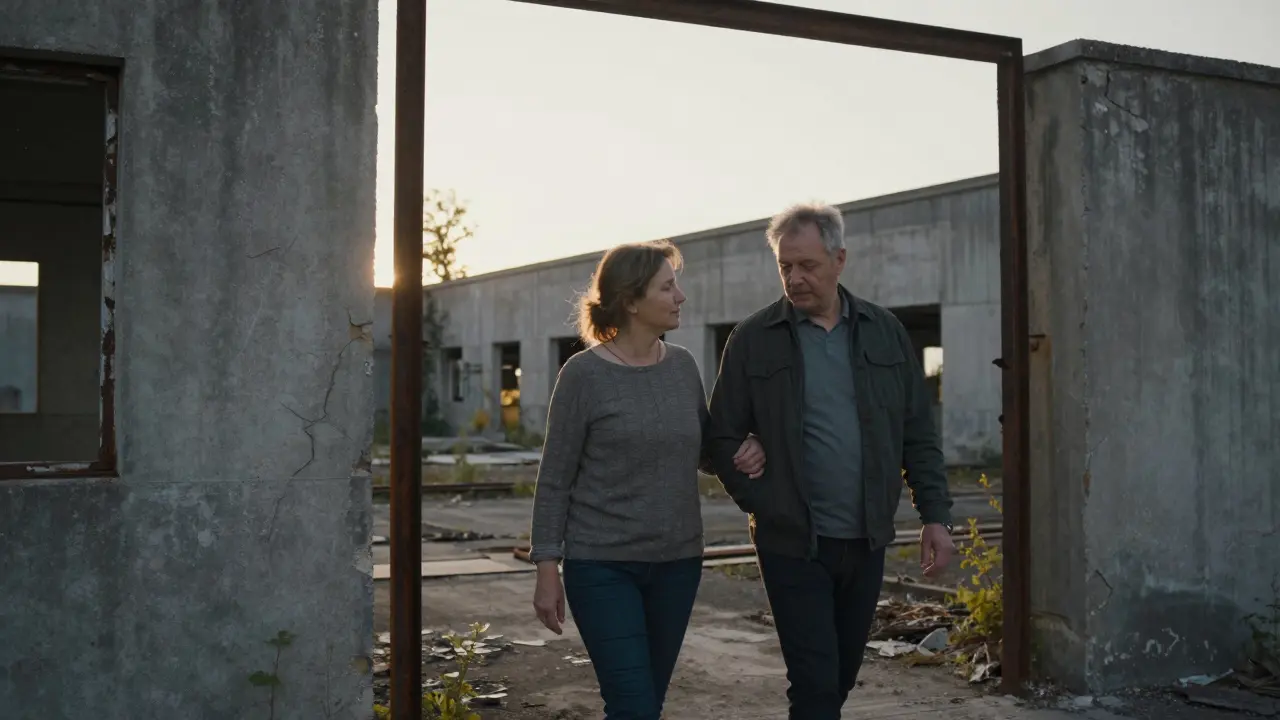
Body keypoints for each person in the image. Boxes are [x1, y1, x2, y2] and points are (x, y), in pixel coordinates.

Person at [707, 202, 955, 720]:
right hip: (792, 543)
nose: (794, 279)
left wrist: (935, 515)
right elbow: (720, 435)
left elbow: (917, 432)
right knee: (815, 686)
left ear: (839, 259)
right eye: (785, 266)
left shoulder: (884, 333)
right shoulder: (754, 338)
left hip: (866, 540)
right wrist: (764, 501)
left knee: (839, 677)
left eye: (807, 265)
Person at [528, 239, 765, 720]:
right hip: (602, 567)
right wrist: (546, 570)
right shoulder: (583, 376)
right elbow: (554, 479)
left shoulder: (682, 366)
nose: (680, 297)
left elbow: (703, 452)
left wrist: (748, 445)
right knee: (633, 705)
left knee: (647, 702)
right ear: (632, 300)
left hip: (677, 565)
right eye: (668, 286)